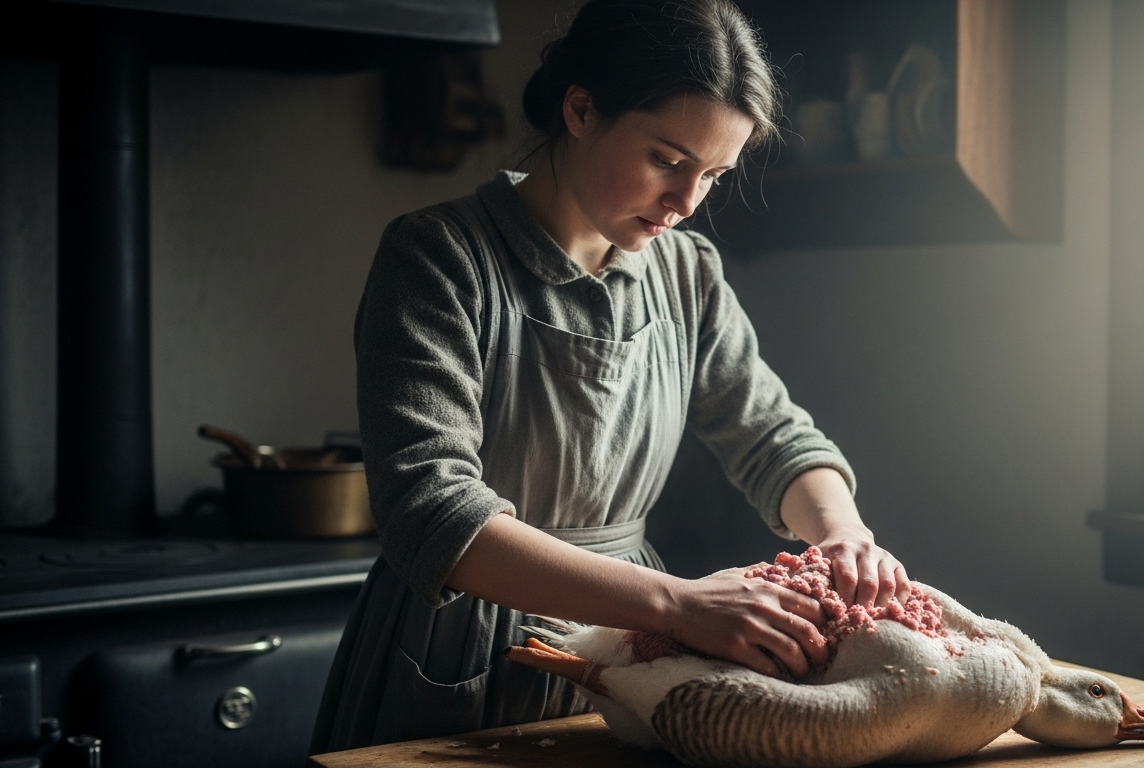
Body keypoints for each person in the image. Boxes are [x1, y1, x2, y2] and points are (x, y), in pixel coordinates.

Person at [311, 0, 911, 752]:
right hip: (456, 636)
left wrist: (845, 535)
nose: (687, 203)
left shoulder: (687, 275)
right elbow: (431, 511)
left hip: (631, 644)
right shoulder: (438, 258)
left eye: (715, 176)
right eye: (668, 160)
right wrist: (676, 605)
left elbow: (770, 432)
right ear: (582, 109)